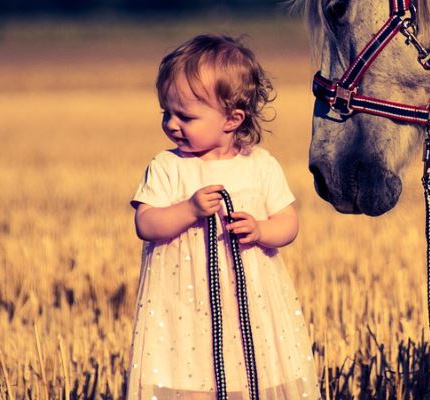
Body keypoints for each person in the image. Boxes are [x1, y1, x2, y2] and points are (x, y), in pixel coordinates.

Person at [126, 34, 320, 400]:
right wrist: (189, 210)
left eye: (186, 116)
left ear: (232, 119)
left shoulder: (259, 165)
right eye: (166, 112)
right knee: (190, 376)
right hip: (184, 305)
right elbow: (146, 225)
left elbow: (289, 223)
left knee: (250, 374)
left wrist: (261, 230)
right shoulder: (168, 167)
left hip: (250, 301)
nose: (172, 124)